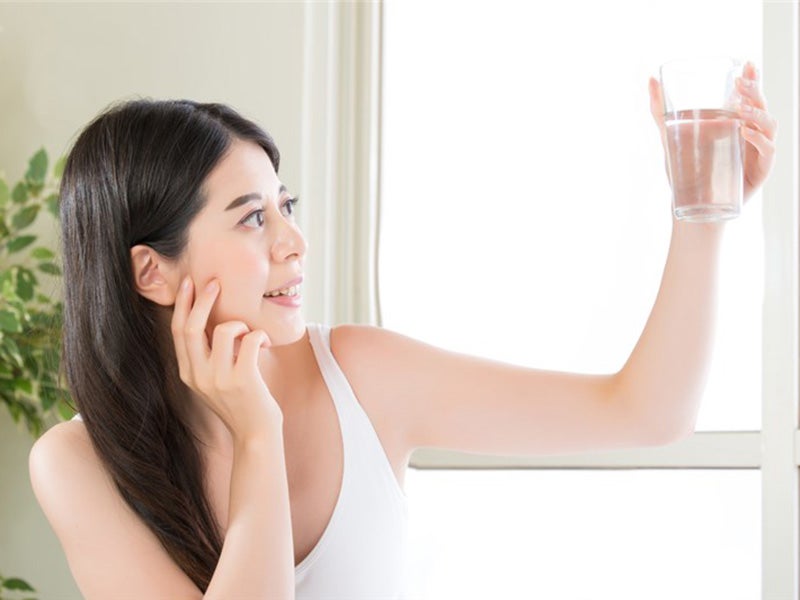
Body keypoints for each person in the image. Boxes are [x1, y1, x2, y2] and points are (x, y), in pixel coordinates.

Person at [28, 61, 776, 600]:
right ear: (151, 273)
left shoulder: (361, 373)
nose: (294, 243)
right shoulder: (76, 463)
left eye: (287, 207)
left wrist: (702, 212)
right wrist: (257, 434)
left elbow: (647, 413)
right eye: (254, 218)